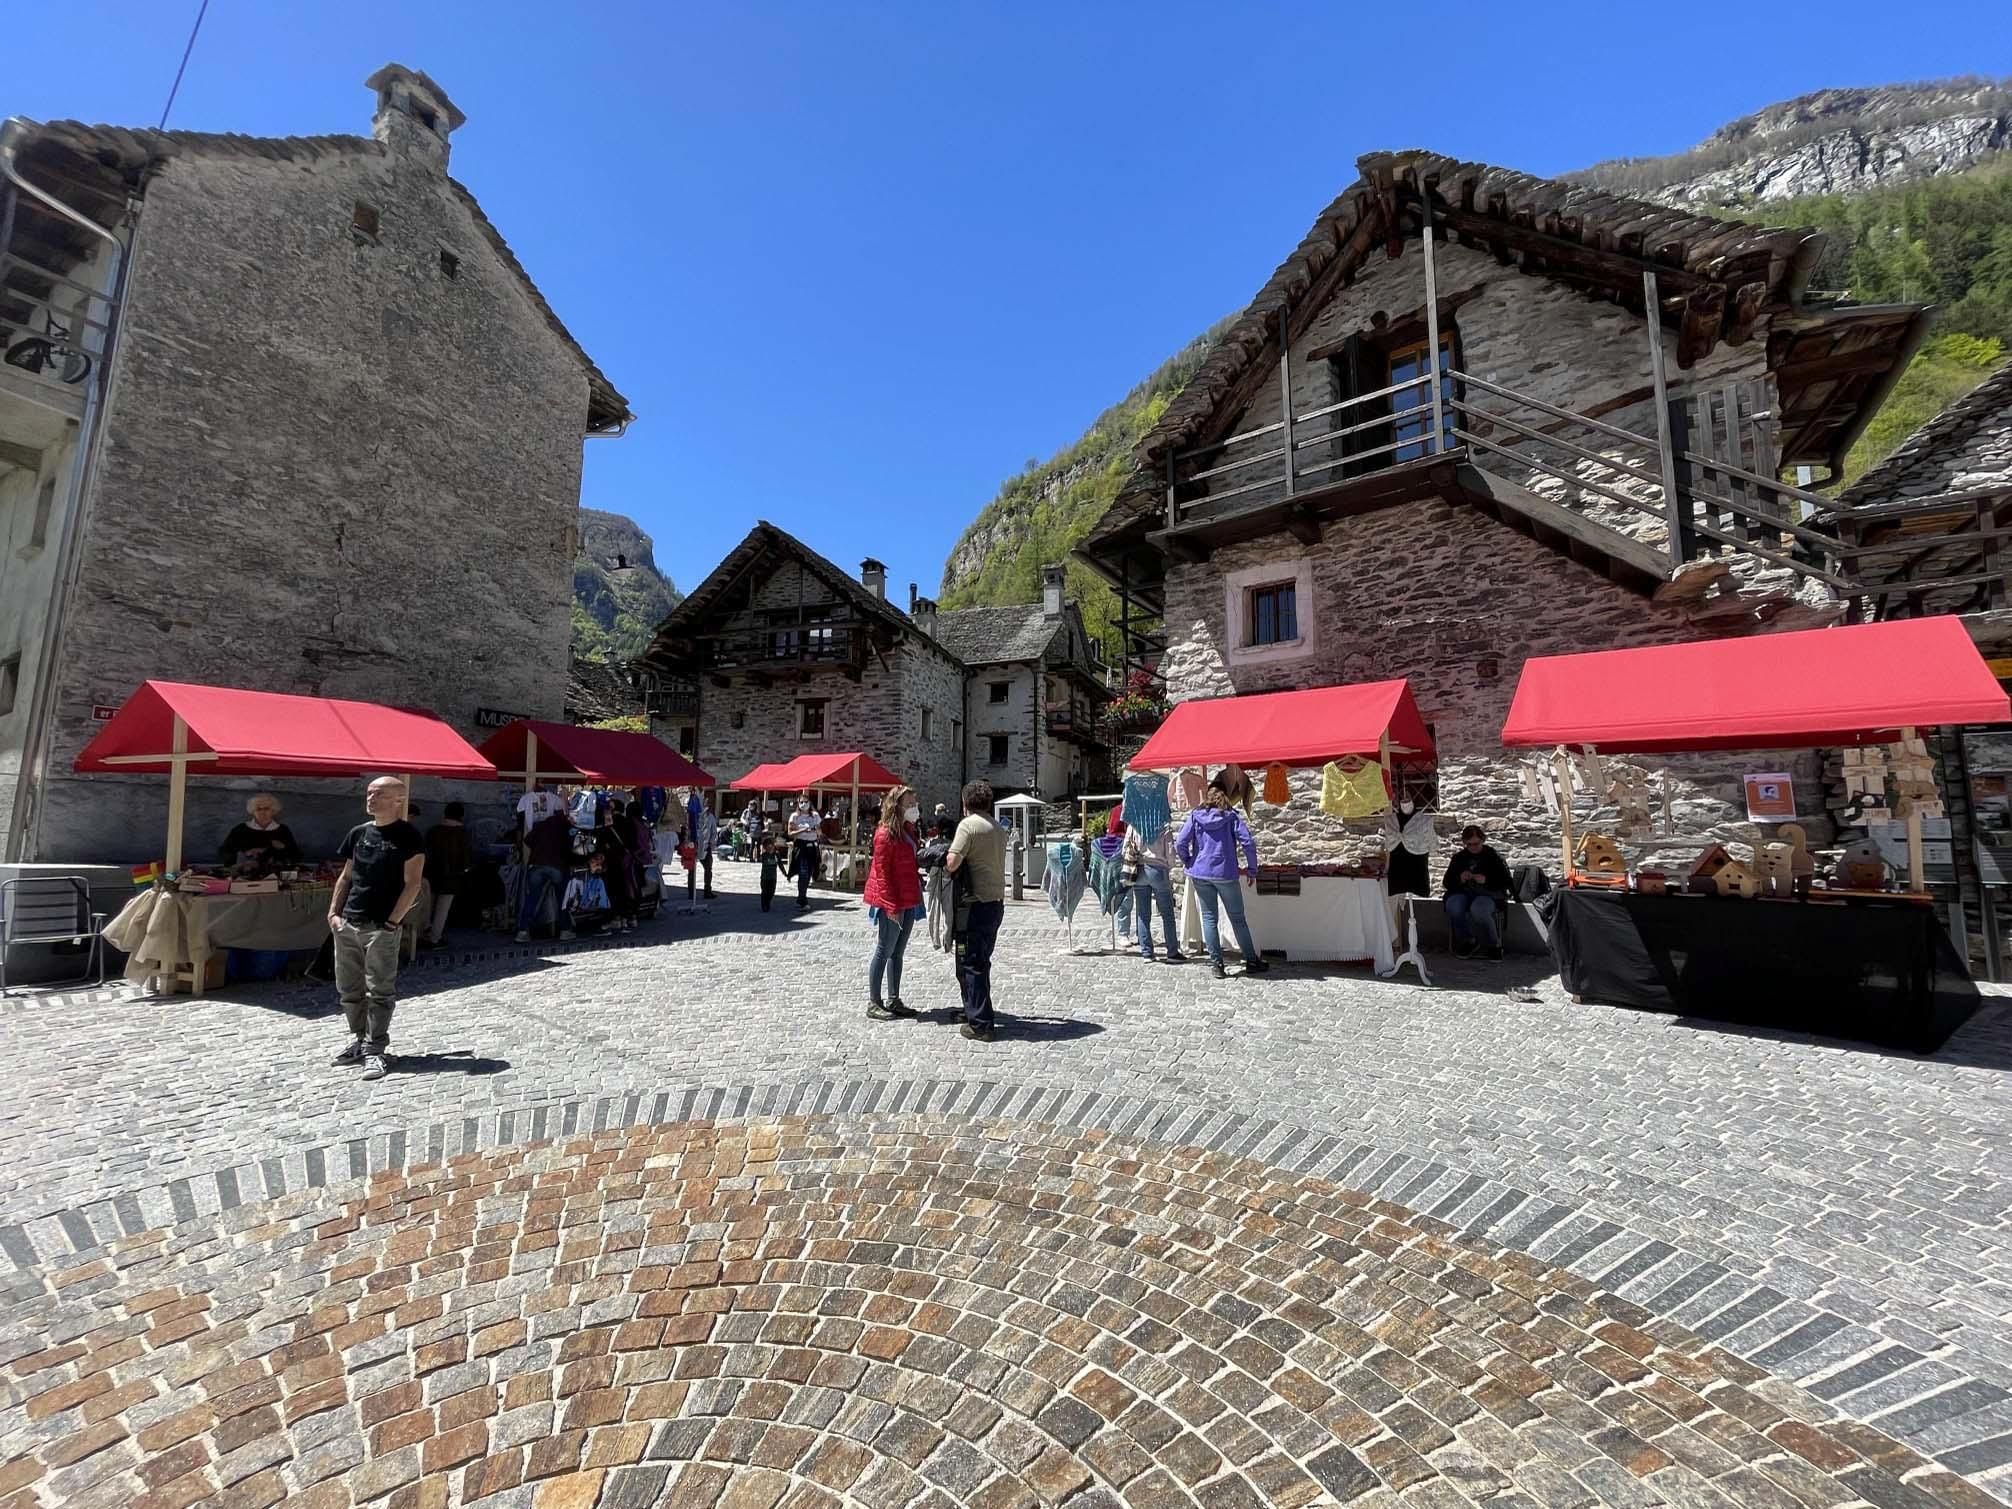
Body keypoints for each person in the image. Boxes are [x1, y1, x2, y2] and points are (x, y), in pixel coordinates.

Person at [329, 776, 425, 1081]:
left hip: (381, 926)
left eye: (379, 794)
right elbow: (346, 877)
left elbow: (413, 884)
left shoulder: (408, 836)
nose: (371, 798)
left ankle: (376, 1050)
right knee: (349, 989)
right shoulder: (358, 833)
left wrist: (392, 923)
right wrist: (333, 914)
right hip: (349, 922)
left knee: (380, 990)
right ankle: (359, 1039)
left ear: (398, 800)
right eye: (369, 793)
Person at [1175, 767, 1269, 979]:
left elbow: (1180, 841)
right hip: (1225, 873)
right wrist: (1252, 869)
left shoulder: (1196, 816)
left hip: (1200, 873)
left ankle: (1217, 964)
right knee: (1237, 918)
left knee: (1209, 918)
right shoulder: (1231, 817)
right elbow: (1248, 843)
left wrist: (1189, 860)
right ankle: (1251, 960)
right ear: (1227, 796)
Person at [945, 779, 1007, 1040]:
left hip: (974, 905)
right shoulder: (997, 827)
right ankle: (972, 1008)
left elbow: (952, 862)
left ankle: (981, 1024)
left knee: (971, 962)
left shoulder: (968, 825)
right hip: (995, 902)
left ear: (965, 803)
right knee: (980, 959)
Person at [863, 784, 924, 1022]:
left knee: (898, 952)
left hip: (908, 896)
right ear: (896, 806)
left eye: (914, 804)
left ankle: (894, 998)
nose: (913, 808)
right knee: (884, 950)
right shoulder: (884, 834)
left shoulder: (908, 830)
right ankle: (874, 1002)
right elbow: (882, 874)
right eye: (909, 804)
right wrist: (890, 907)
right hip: (891, 900)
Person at [1443, 823, 1514, 960]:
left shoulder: (1492, 856)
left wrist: (1486, 880)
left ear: (1482, 840)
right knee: (1453, 906)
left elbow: (1505, 881)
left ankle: (1494, 944)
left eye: (1476, 843)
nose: (1473, 847)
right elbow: (1447, 882)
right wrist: (1460, 879)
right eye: (1470, 844)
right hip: (1463, 893)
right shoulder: (1459, 858)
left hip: (1487, 894)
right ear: (1465, 843)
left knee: (1479, 909)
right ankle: (1468, 940)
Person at [1125, 818, 1186, 964]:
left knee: (1142, 913)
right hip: (1158, 869)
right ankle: (1172, 951)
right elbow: (1171, 852)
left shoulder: (1135, 823)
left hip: (1138, 869)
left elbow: (1125, 848)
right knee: (1167, 913)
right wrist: (1169, 866)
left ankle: (1147, 952)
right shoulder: (1163, 825)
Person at [515, 807, 577, 943]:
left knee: (532, 898)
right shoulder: (566, 828)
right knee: (562, 898)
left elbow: (527, 840)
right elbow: (571, 850)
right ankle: (565, 930)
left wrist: (539, 849)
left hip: (537, 865)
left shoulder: (541, 825)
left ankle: (523, 931)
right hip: (557, 867)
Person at [422, 800, 471, 946]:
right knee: (442, 909)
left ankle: (421, 934)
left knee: (426, 906)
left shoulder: (433, 831)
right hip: (452, 876)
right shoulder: (463, 833)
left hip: (431, 873)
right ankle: (434, 938)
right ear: (461, 816)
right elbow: (466, 857)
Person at [220, 792, 301, 872]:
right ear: (253, 811)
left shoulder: (283, 830)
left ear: (273, 811)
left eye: (266, 808)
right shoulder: (240, 829)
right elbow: (224, 852)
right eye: (258, 809)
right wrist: (244, 854)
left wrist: (283, 848)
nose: (263, 812)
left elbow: (296, 856)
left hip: (275, 874)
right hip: (244, 875)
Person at [600, 798, 639, 932]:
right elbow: (634, 842)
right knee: (626, 889)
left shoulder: (609, 823)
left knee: (613, 891)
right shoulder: (629, 822)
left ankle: (616, 918)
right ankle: (628, 917)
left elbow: (603, 841)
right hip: (626, 860)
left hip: (612, 860)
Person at [787, 796, 821, 910]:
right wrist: (802, 830)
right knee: (803, 872)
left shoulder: (815, 816)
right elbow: (790, 833)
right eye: (801, 802)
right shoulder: (795, 816)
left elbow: (820, 831)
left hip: (812, 846)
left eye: (805, 802)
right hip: (801, 846)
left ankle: (802, 896)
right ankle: (802, 898)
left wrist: (816, 830)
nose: (803, 804)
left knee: (810, 872)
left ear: (809, 803)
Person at [759, 832, 781, 912]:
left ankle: (767, 903)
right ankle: (764, 905)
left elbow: (780, 865)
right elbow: (761, 859)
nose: (770, 846)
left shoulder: (776, 855)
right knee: (764, 891)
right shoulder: (764, 855)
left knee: (771, 892)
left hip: (773, 877)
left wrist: (786, 874)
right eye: (768, 845)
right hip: (765, 877)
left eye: (771, 844)